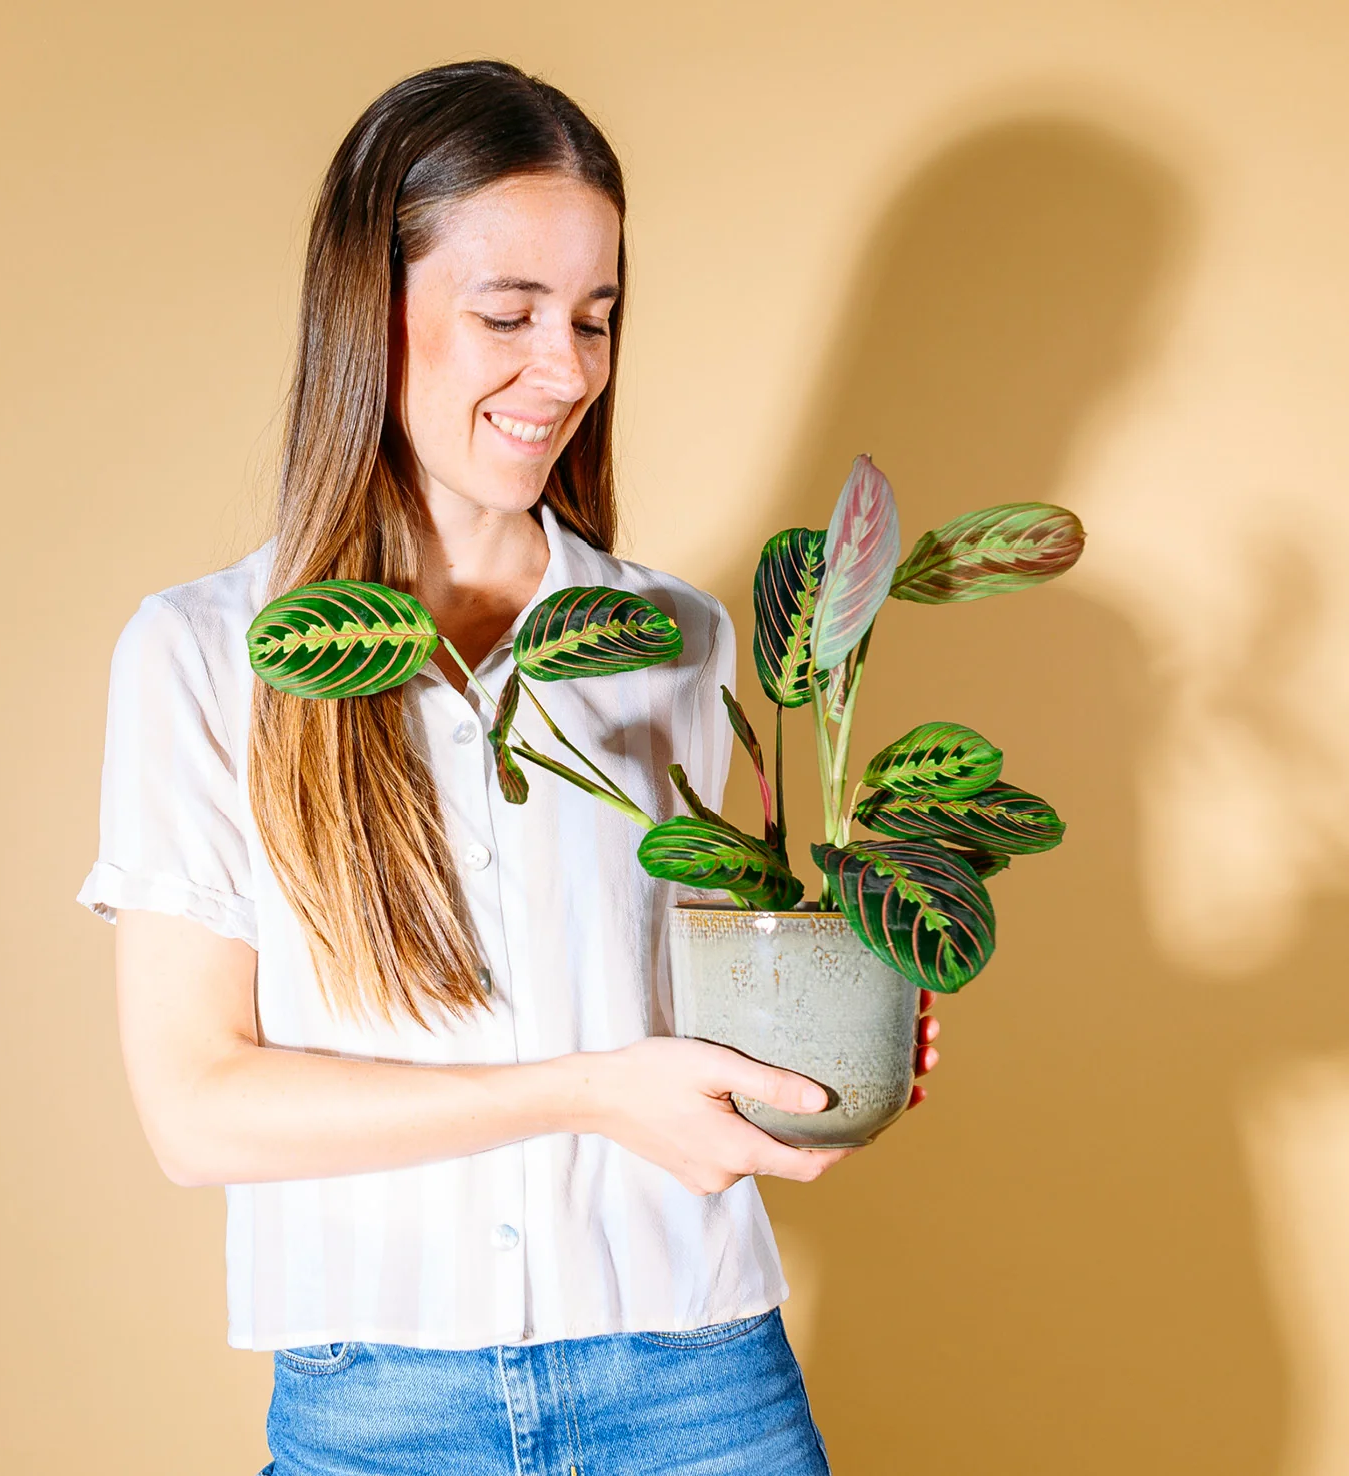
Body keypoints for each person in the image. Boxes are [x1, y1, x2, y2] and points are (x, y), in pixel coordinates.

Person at [78, 59, 940, 1476]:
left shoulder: (680, 640)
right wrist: (591, 1091)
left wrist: (823, 1045)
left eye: (595, 319)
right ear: (372, 307)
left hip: (701, 1384)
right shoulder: (202, 654)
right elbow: (196, 1111)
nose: (568, 371)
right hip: (379, 1412)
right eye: (509, 314)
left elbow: (698, 1028)